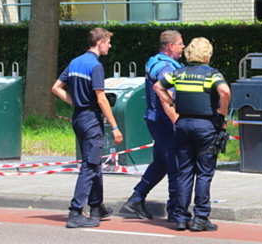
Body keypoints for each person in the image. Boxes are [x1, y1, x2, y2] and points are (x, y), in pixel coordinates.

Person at [154, 37, 231, 232]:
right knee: (204, 173)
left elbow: (158, 87)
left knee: (184, 172)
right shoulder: (212, 74)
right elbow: (225, 91)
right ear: (207, 55)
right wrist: (221, 116)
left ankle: (181, 218)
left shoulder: (178, 73)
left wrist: (171, 102)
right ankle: (201, 218)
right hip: (205, 126)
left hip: (183, 125)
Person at [51, 27, 123, 229]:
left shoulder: (75, 62)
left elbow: (56, 87)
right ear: (99, 42)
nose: (109, 45)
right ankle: (75, 212)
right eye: (108, 42)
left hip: (78, 118)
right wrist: (115, 127)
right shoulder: (96, 66)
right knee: (90, 166)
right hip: (91, 119)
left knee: (93, 162)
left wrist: (76, 102)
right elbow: (101, 98)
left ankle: (96, 206)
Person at [120, 30, 184, 222]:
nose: (183, 47)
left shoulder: (154, 61)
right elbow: (168, 98)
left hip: (155, 119)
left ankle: (137, 198)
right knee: (175, 165)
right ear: (171, 46)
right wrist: (178, 122)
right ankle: (174, 211)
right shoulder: (166, 67)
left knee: (161, 163)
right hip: (165, 120)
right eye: (181, 44)